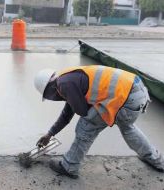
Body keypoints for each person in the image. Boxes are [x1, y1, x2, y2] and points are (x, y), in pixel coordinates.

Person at [34, 65, 164, 179]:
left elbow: (80, 110)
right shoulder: (67, 76)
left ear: (48, 90)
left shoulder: (63, 85)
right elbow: (68, 112)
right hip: (137, 93)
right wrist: (50, 134)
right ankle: (156, 160)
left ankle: (69, 166)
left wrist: (51, 133)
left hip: (125, 99)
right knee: (128, 127)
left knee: (86, 126)